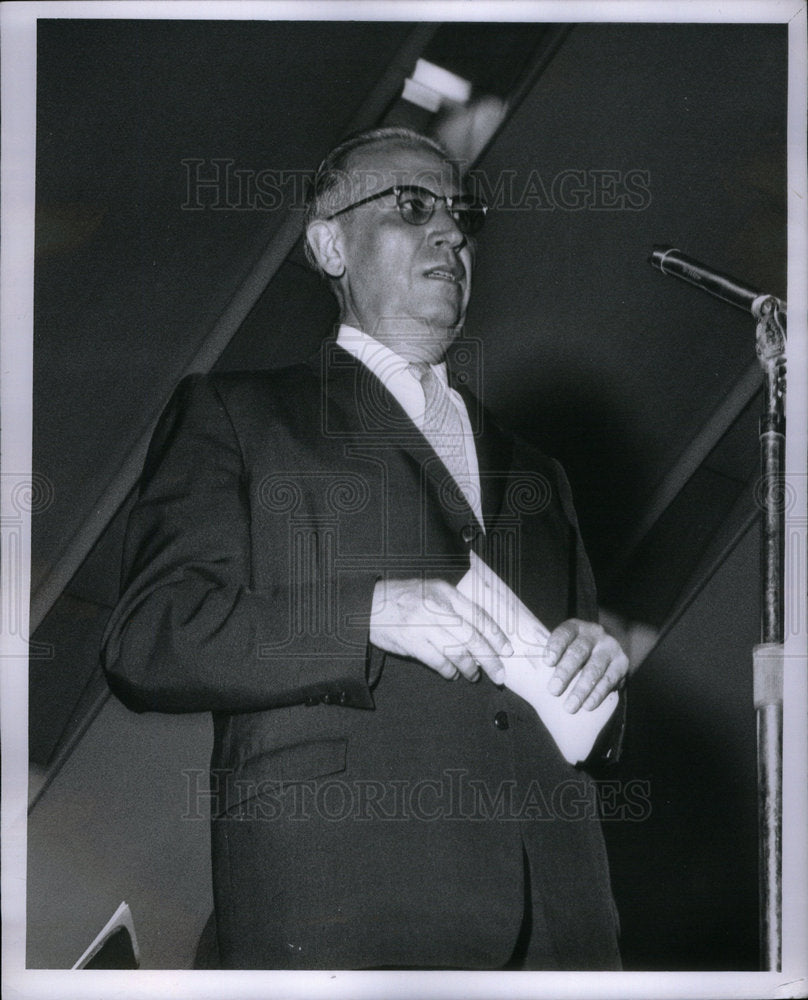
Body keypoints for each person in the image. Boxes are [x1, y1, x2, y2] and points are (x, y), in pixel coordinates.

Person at [101, 126, 629, 970]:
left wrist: (600, 673)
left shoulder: (541, 472)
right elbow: (152, 636)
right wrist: (366, 615)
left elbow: (578, 711)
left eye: (461, 215)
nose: (452, 232)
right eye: (413, 206)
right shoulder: (238, 417)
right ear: (328, 244)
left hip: (565, 929)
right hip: (345, 906)